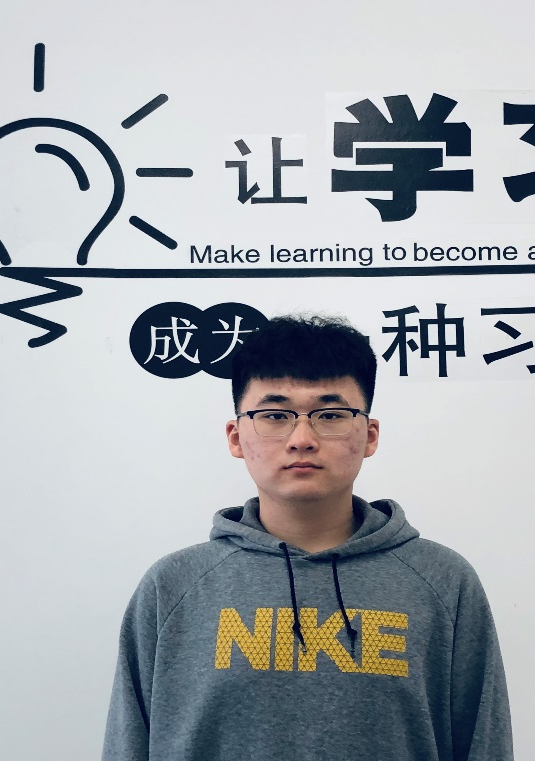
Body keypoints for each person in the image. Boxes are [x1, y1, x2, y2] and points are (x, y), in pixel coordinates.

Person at [102, 314, 513, 760]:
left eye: (331, 415)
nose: (302, 438)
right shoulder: (173, 585)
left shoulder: (443, 581)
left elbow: (485, 745)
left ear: (370, 435)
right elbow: (128, 745)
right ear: (236, 436)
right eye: (275, 415)